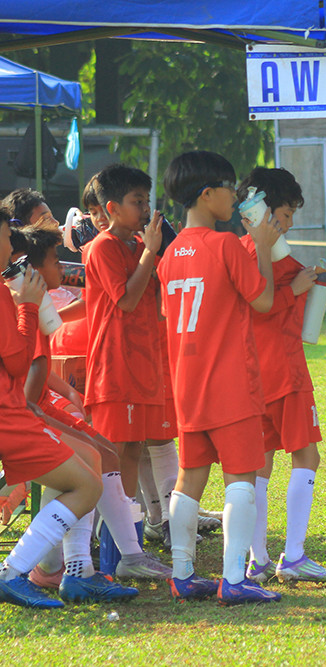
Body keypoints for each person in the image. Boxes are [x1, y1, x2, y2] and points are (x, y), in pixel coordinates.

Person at [159, 150, 282, 605]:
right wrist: (264, 248)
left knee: (190, 478)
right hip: (230, 385)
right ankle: (233, 579)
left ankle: (183, 573)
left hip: (187, 384)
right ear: (207, 194)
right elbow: (264, 301)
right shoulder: (227, 244)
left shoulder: (169, 254)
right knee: (241, 480)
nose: (235, 195)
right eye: (229, 187)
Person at [12, 225, 139, 604]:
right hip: (24, 412)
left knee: (101, 452)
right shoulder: (27, 304)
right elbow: (28, 387)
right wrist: (51, 422)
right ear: (33, 268)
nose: (63, 268)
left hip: (35, 405)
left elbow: (37, 369)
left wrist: (66, 390)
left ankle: (89, 564)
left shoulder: (40, 301)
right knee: (88, 464)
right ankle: (54, 568)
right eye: (55, 261)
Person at [0, 210, 109, 609]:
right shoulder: (13, 298)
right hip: (10, 417)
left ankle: (77, 572)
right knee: (87, 483)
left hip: (14, 413)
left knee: (91, 457)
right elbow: (19, 371)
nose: (10, 249)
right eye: (5, 240)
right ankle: (18, 572)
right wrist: (27, 307)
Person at [236, 167, 326, 584]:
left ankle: (257, 559)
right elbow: (261, 304)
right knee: (306, 455)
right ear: (263, 211)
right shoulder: (279, 264)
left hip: (250, 375)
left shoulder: (239, 252)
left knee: (260, 465)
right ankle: (292, 555)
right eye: (285, 213)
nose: (290, 222)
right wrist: (296, 289)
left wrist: (310, 286)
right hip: (285, 372)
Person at [83, 164, 173, 579]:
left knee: (133, 452)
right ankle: (108, 557)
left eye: (146, 200)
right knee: (114, 458)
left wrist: (156, 251)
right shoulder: (102, 247)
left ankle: (129, 550)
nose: (145, 209)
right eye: (137, 202)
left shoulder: (136, 244)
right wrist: (150, 252)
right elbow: (127, 301)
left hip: (144, 365)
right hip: (115, 368)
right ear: (112, 207)